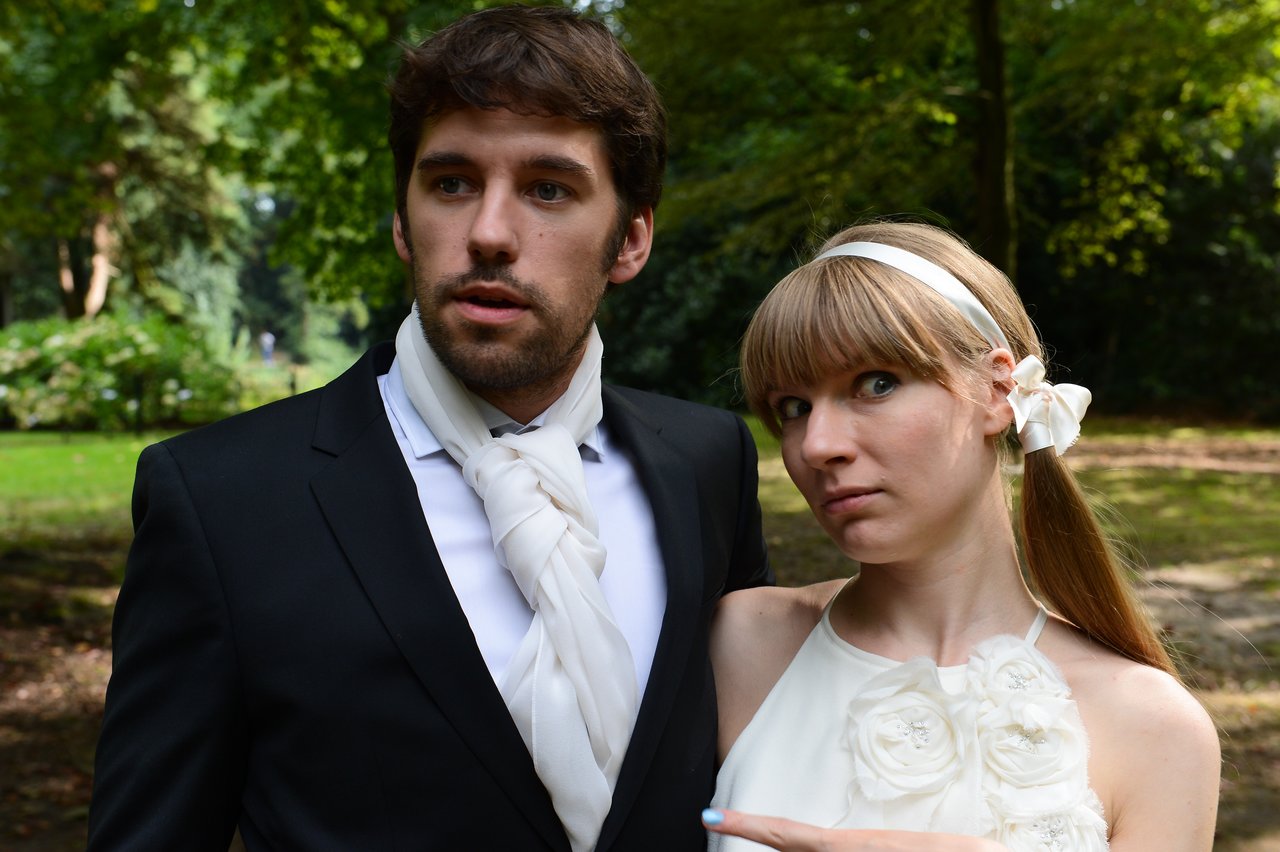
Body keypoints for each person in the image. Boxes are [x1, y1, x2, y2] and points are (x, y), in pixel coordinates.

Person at [87, 6, 771, 850]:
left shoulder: (707, 462)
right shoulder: (221, 502)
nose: (488, 233)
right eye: (451, 182)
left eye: (548, 189)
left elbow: (754, 774)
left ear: (630, 241)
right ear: (405, 225)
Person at [700, 221, 1219, 851]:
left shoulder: (1153, 727)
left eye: (876, 384)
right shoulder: (743, 645)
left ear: (1000, 389)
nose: (818, 446)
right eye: (793, 407)